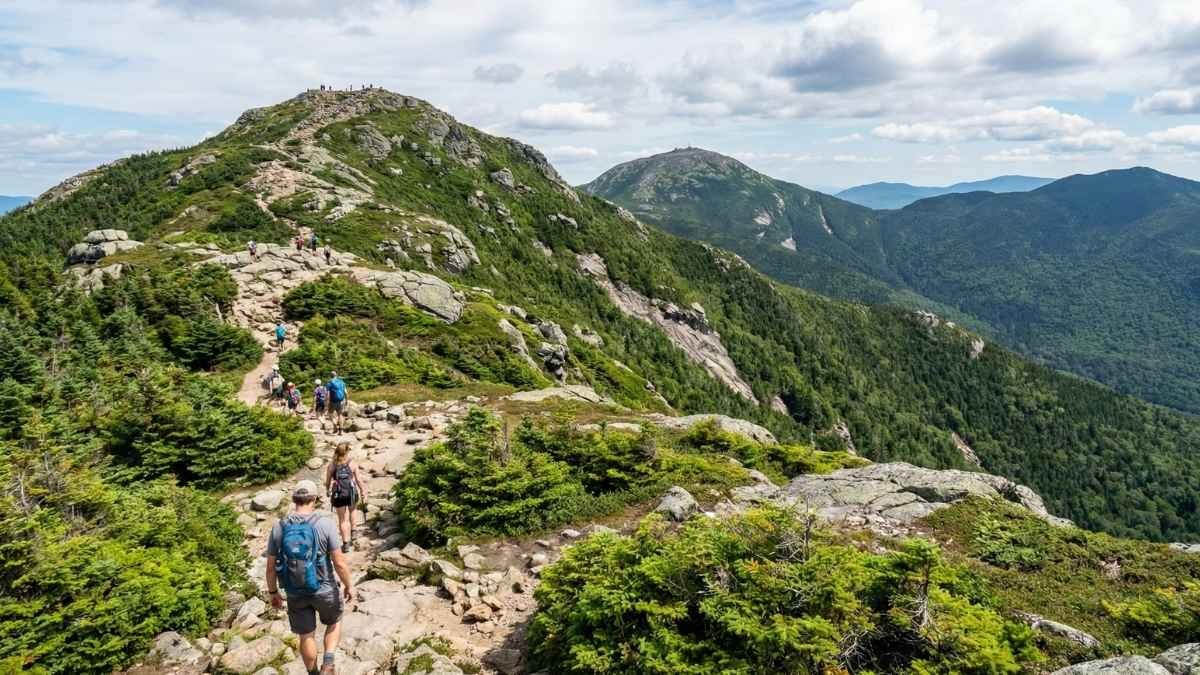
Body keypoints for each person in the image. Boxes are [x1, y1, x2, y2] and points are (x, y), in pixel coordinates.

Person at [266, 480, 354, 675]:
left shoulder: (279, 527)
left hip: (294, 591)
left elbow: (270, 568)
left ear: (293, 499)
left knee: (306, 636)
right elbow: (339, 562)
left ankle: (313, 673)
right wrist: (349, 585)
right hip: (324, 588)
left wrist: (273, 593)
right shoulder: (325, 524)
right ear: (314, 499)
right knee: (334, 621)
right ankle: (328, 663)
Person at [325, 442, 367, 554]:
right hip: (351, 492)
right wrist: (363, 490)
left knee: (342, 520)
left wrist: (328, 491)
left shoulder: (332, 465)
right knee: (353, 511)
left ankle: (345, 544)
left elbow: (328, 482)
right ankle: (354, 532)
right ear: (347, 451)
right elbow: (358, 479)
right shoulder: (352, 463)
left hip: (338, 494)